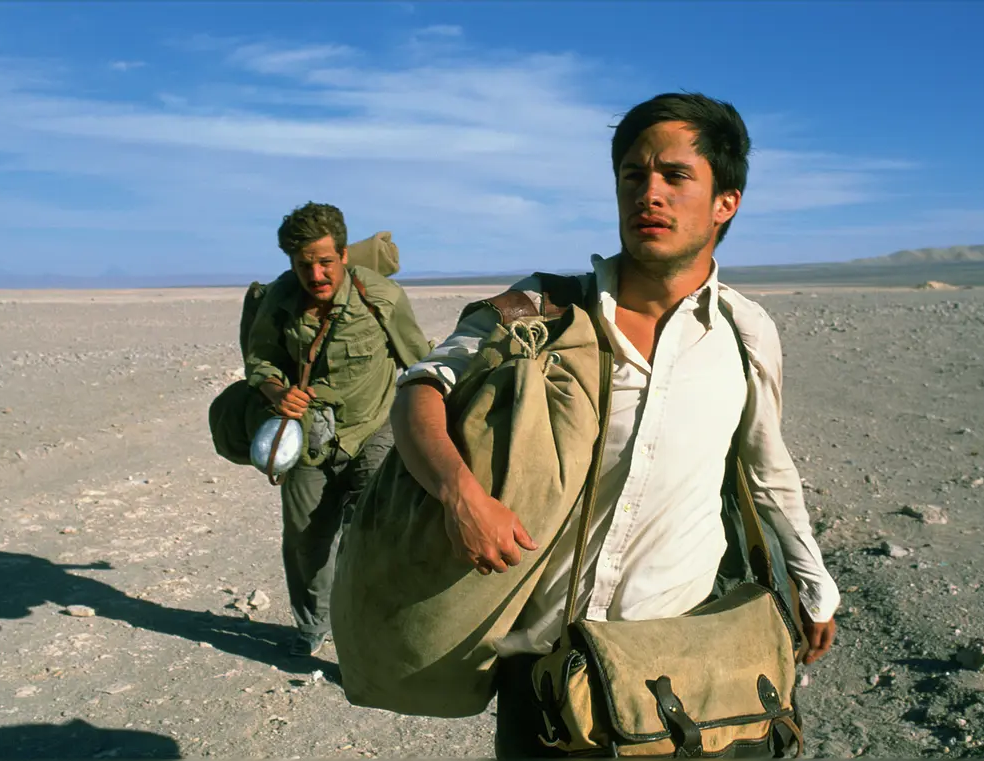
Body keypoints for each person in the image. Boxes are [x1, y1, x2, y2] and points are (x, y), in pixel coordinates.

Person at [390, 92, 840, 756]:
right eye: (633, 175)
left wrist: (814, 583)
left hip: (674, 657)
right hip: (547, 664)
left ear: (726, 202)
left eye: (675, 175)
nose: (648, 193)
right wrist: (460, 494)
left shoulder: (744, 333)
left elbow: (768, 468)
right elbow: (421, 388)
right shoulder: (543, 308)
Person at [245, 202, 431, 657]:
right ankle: (313, 626)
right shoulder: (279, 300)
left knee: (371, 534)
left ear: (344, 255)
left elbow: (419, 362)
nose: (316, 275)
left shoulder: (380, 297)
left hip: (373, 430)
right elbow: (261, 360)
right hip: (308, 437)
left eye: (326, 262)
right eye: (303, 265)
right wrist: (276, 392)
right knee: (305, 539)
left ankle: (368, 628)